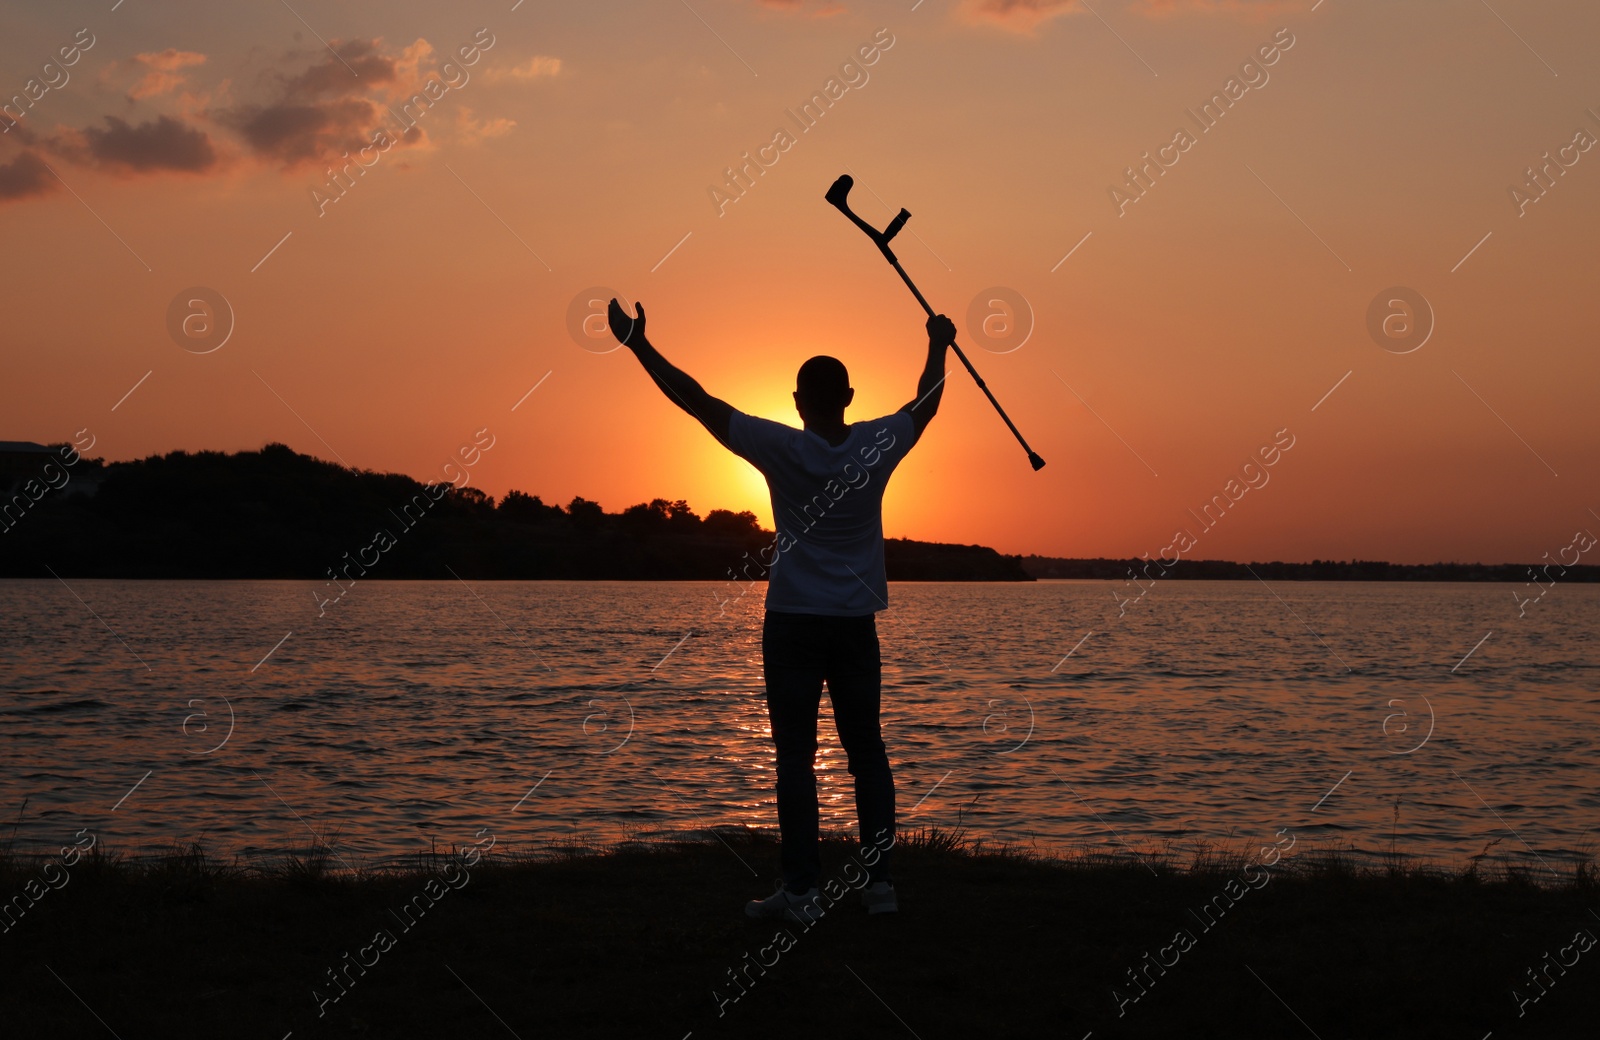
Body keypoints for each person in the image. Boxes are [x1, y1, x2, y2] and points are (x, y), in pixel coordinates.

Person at [607, 298, 953, 921]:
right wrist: (938, 342)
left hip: (793, 620)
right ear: (849, 395)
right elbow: (926, 404)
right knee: (866, 749)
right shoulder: (878, 442)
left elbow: (699, 402)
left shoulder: (779, 446)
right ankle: (880, 887)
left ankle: (802, 893)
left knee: (795, 754)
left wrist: (638, 346)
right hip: (855, 625)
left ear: (797, 401)